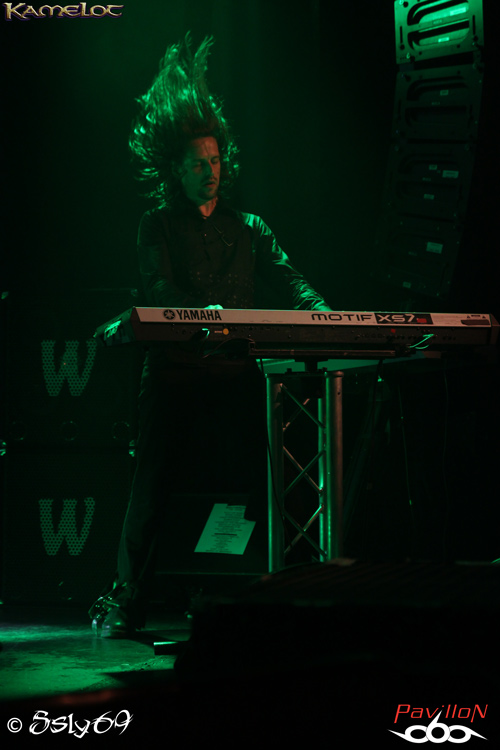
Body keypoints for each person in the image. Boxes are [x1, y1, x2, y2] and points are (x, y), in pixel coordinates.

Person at [89, 34, 331, 638]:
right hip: (175, 376)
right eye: (198, 163)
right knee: (152, 488)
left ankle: (248, 596)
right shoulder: (157, 224)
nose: (210, 172)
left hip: (236, 375)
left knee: (253, 482)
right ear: (176, 168)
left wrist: (330, 320)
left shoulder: (250, 228)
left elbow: (293, 283)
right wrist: (204, 311)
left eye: (215, 161)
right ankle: (128, 600)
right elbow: (158, 290)